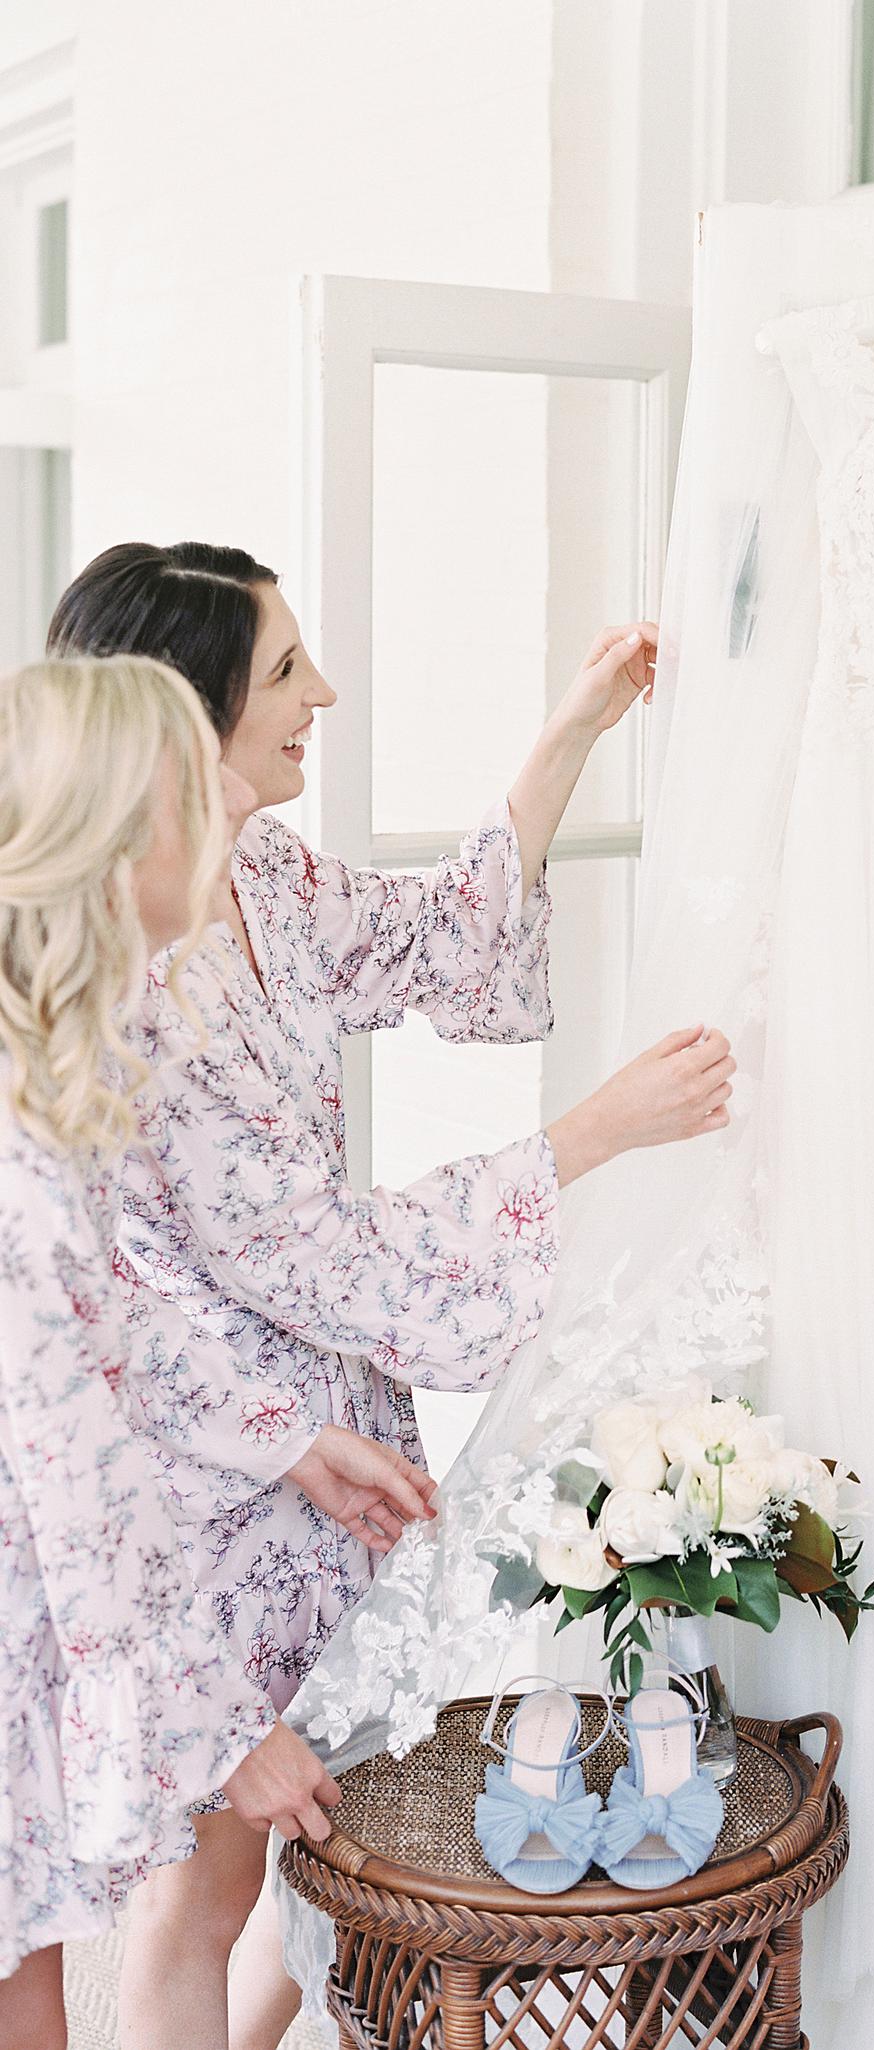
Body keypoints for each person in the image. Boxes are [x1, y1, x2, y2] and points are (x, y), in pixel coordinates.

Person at [48, 542, 735, 2050]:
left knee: (333, 1827)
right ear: (185, 710)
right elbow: (306, 1250)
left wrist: (568, 736)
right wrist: (594, 1133)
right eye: (286, 670)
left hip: (336, 1445)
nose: (323, 692)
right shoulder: (132, 970)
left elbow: (443, 936)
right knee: (202, 1883)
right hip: (213, 1465)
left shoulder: (272, 878)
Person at [0, 656, 373, 2050]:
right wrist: (227, 1726)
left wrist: (292, 1438)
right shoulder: (23, 1138)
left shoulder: (60, 1065)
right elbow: (83, 1487)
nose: (232, 809)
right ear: (113, 841)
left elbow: (124, 1331)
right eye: (192, 791)